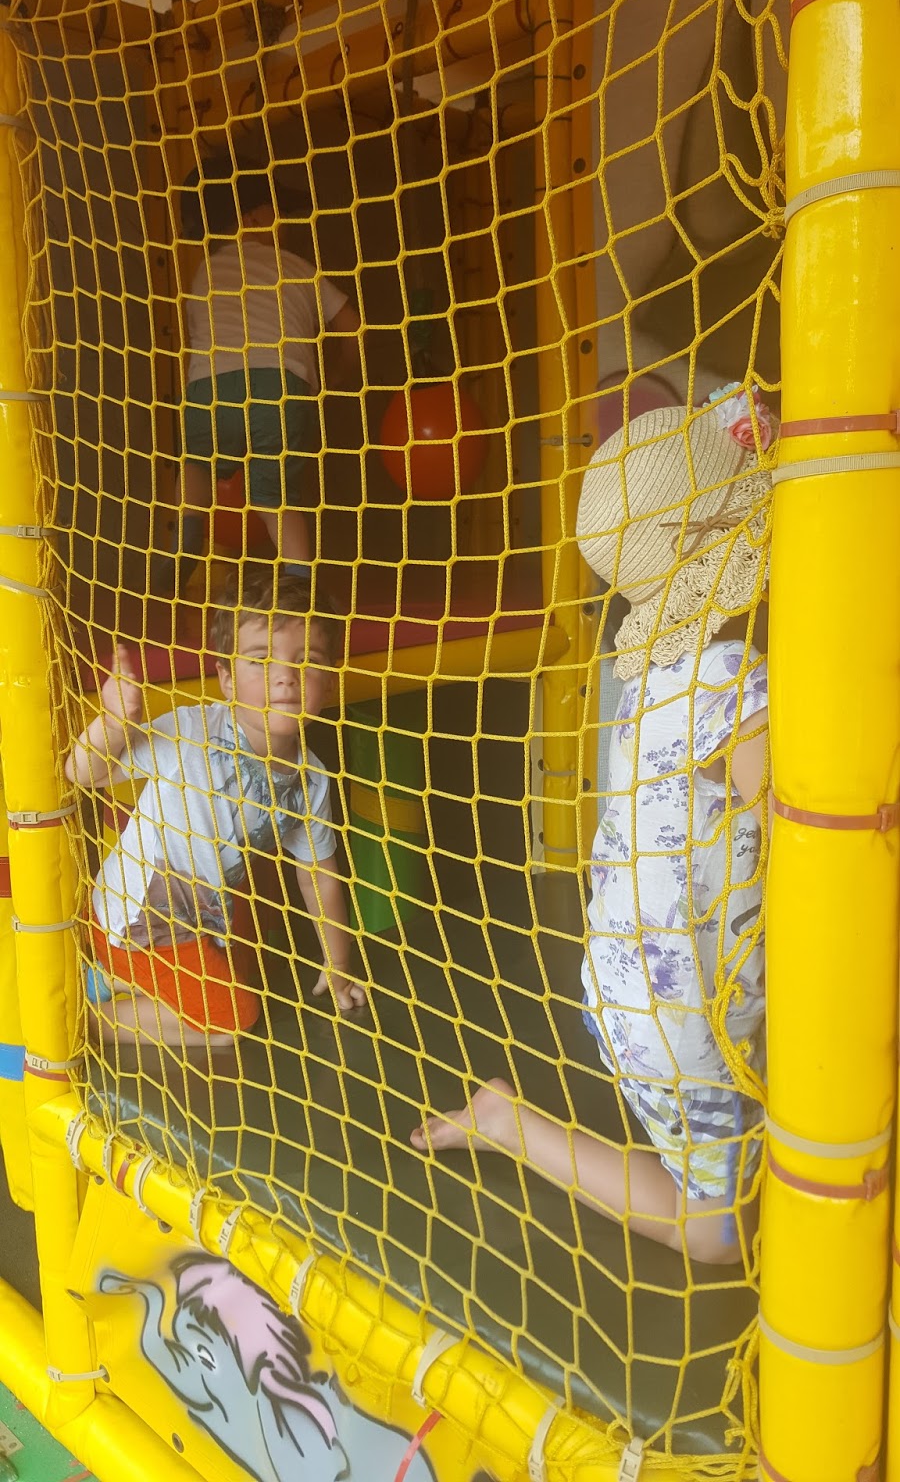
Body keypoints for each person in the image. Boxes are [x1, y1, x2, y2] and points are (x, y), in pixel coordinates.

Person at [412, 385, 775, 1264]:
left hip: (632, 983)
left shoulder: (649, 670)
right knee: (719, 1230)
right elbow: (798, 835)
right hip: (686, 1011)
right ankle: (509, 1125)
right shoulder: (735, 681)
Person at [66, 564, 367, 1048]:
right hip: (133, 919)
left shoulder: (310, 778)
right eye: (260, 660)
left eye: (307, 660)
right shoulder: (194, 732)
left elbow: (319, 875)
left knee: (241, 975)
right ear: (226, 678)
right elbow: (82, 773)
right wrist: (114, 724)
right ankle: (84, 1016)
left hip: (198, 922)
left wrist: (338, 965)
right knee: (230, 1024)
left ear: (329, 679)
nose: (285, 678)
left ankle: (115, 979)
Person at [152, 168, 361, 597]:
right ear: (250, 218)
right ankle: (300, 588)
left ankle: (182, 548)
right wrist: (340, 375)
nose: (282, 222)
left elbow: (200, 330)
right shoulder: (296, 267)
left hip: (210, 388)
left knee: (195, 470)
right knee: (275, 500)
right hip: (278, 386)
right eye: (275, 212)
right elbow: (353, 327)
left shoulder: (205, 272)